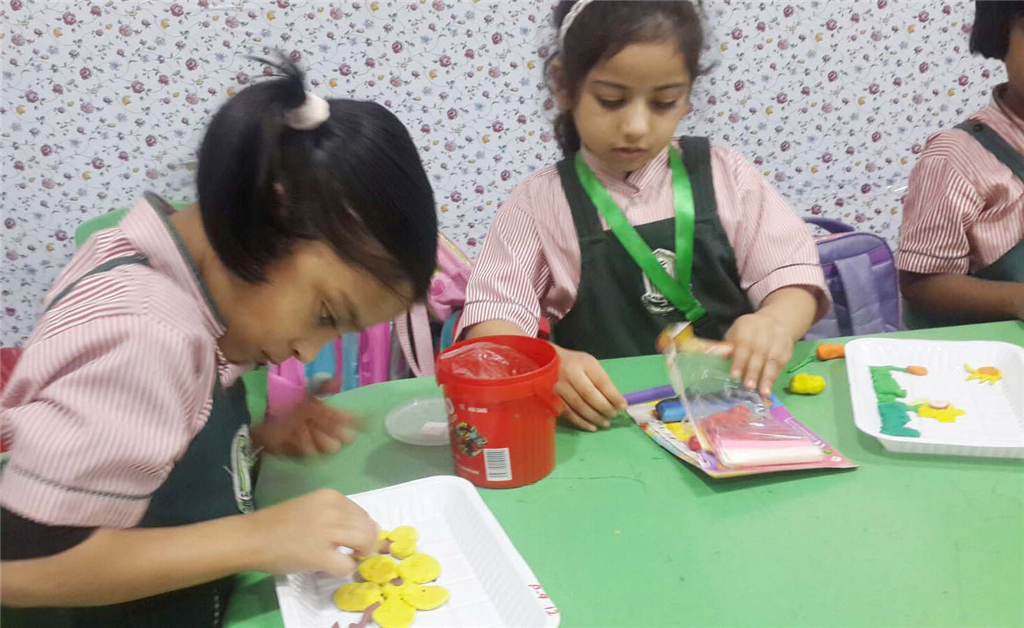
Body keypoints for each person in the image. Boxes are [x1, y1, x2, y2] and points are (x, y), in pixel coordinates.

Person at [0, 58, 438, 626]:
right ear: (270, 214)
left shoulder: (182, 284)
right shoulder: (146, 331)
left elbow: (145, 447)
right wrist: (257, 538)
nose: (309, 352)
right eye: (326, 314)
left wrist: (256, 442)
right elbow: (20, 564)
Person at [459, 0, 829, 431]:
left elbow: (794, 280)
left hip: (742, 415)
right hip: (612, 427)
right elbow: (491, 324)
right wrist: (543, 363)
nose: (636, 126)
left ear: (687, 95)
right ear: (563, 86)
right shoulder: (539, 203)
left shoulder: (727, 175)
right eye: (611, 100)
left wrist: (775, 322)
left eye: (663, 102)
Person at [897, 0, 1024, 328]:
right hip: (987, 352)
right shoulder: (954, 158)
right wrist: (1016, 299)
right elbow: (920, 284)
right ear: (1000, 35)